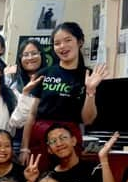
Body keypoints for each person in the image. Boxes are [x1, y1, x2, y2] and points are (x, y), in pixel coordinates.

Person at [20, 22, 108, 170]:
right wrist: (24, 148)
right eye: (57, 43)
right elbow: (32, 114)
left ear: (79, 42)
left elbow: (88, 119)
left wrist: (90, 90)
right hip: (41, 137)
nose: (62, 46)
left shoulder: (90, 76)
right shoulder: (44, 74)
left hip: (69, 138)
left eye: (68, 40)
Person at [45, 124, 118, 182]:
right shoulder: (49, 176)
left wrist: (103, 158)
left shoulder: (93, 168)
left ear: (73, 141)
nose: (59, 143)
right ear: (49, 149)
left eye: (63, 138)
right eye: (53, 141)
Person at [9, 40, 49, 153]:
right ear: (20, 59)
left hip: (47, 140)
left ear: (42, 54)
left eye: (34, 53)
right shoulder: (14, 84)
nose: (30, 58)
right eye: (25, 55)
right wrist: (26, 93)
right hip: (19, 142)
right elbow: (16, 122)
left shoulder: (52, 79)